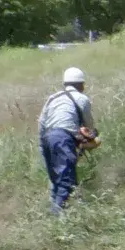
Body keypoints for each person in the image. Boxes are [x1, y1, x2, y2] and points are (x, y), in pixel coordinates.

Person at [38, 67, 98, 215]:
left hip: (46, 138)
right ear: (80, 85)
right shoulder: (81, 98)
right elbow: (89, 126)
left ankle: (62, 209)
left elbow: (42, 123)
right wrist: (91, 137)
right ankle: (56, 215)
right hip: (62, 138)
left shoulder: (53, 98)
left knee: (56, 179)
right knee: (66, 179)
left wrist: (42, 145)